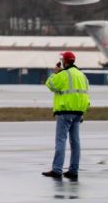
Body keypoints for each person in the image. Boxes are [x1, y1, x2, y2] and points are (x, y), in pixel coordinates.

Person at [42, 50, 90, 181]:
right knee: (75, 143)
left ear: (66, 61)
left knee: (61, 141)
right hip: (78, 112)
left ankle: (57, 170)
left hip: (65, 112)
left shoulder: (64, 74)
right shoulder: (82, 75)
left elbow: (50, 85)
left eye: (62, 59)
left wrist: (55, 73)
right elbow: (86, 95)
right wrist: (82, 111)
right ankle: (73, 171)